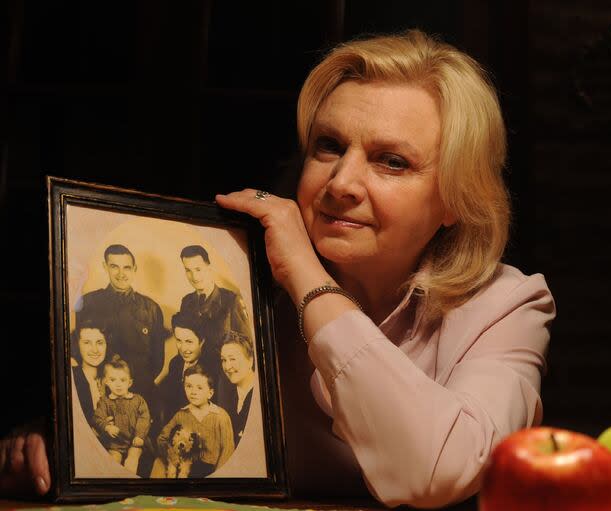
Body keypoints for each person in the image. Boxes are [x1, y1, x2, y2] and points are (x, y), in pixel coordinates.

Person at [1, 30, 554, 508]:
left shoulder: (507, 305)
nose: (340, 183)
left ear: (457, 198)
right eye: (328, 146)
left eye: (392, 161)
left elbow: (437, 474)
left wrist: (309, 283)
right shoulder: (232, 279)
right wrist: (67, 443)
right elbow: (159, 418)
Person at [74, 244, 167, 406]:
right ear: (105, 267)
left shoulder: (151, 308)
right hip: (100, 396)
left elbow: (157, 361)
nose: (121, 274)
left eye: (126, 267)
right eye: (114, 267)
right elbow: (79, 349)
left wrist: (135, 387)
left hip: (141, 395)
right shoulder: (88, 303)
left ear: (134, 269)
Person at [152, 364, 235, 478]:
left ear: (210, 393)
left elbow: (227, 451)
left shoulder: (221, 416)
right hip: (185, 469)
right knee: (158, 464)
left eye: (199, 387)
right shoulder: (181, 415)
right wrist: (172, 454)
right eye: (189, 386)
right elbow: (162, 439)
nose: (193, 392)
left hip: (211, 471)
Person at [178, 245, 251, 356]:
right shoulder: (186, 302)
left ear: (209, 268)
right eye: (188, 270)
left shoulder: (231, 300)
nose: (194, 276)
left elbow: (248, 348)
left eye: (198, 269)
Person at [92, 355, 150, 474]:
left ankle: (129, 482)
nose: (118, 384)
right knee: (113, 461)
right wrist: (107, 427)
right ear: (106, 382)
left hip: (134, 441)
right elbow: (98, 418)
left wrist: (139, 436)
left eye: (122, 380)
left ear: (130, 382)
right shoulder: (104, 402)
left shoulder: (138, 400)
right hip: (115, 444)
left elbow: (144, 418)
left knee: (131, 460)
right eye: (113, 380)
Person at [160, 312, 216, 426]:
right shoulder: (175, 363)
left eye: (189, 342)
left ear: (202, 341)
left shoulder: (213, 369)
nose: (184, 348)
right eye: (179, 341)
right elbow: (169, 404)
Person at [217, 331, 256, 446]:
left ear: (250, 360)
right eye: (224, 360)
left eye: (232, 359)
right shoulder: (228, 395)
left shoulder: (259, 396)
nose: (227, 366)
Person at [70, 320, 109, 427]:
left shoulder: (111, 378)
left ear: (107, 345)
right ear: (77, 345)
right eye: (87, 343)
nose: (95, 350)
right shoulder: (72, 380)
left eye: (100, 342)